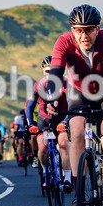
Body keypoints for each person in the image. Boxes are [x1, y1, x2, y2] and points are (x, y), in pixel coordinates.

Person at [45, 4, 103, 206]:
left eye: (89, 29)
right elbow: (55, 73)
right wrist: (52, 99)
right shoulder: (64, 41)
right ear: (72, 29)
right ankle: (79, 193)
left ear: (97, 29)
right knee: (77, 133)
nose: (84, 35)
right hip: (78, 93)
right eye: (79, 30)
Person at [25, 55, 72, 190]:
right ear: (42, 72)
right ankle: (46, 171)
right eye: (47, 71)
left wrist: (66, 121)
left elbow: (70, 102)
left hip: (62, 118)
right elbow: (29, 106)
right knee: (43, 149)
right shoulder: (38, 84)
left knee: (63, 144)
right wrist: (30, 124)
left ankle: (67, 179)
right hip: (44, 119)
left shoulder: (65, 82)